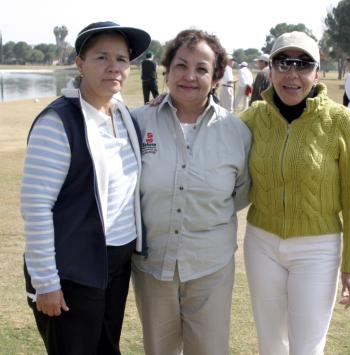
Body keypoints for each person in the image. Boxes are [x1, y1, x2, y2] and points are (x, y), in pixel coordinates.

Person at [20, 21, 151, 355]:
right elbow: (36, 207)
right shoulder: (59, 121)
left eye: (121, 59)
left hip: (116, 262)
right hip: (73, 270)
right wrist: (45, 282)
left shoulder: (124, 116)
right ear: (80, 63)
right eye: (101, 57)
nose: (113, 67)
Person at [240, 31, 350, 355]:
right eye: (283, 63)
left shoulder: (341, 121)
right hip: (262, 244)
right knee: (271, 343)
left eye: (303, 64)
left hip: (317, 250)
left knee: (306, 347)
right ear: (270, 69)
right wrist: (169, 101)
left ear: (316, 71)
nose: (292, 74)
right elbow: (211, 134)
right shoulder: (254, 116)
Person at [131, 29, 251, 355]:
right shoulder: (137, 122)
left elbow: (240, 193)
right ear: (167, 71)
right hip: (152, 266)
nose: (190, 76)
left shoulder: (236, 132)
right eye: (181, 66)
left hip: (210, 266)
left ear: (215, 78)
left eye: (202, 68)